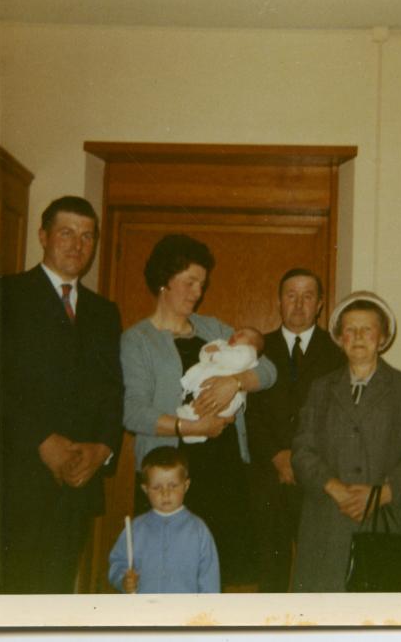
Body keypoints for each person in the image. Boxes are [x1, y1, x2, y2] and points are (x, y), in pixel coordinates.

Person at [120, 234, 276, 588]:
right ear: (164, 279)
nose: (197, 292)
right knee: (170, 577)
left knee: (225, 574)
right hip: (171, 472)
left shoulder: (214, 328)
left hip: (224, 470)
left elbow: (268, 370)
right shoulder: (138, 340)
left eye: (201, 285)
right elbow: (133, 412)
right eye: (189, 282)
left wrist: (234, 382)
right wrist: (189, 428)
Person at [0, 196, 124, 594]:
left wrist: (101, 449)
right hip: (15, 480)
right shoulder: (6, 295)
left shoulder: (104, 312)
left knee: (56, 594)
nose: (77, 245)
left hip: (78, 486)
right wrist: (41, 441)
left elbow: (112, 390)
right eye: (66, 233)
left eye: (87, 236)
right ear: (43, 236)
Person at [291, 291, 401, 592]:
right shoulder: (320, 389)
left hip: (385, 525)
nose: (358, 336)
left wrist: (382, 493)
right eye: (350, 329)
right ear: (339, 338)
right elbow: (302, 451)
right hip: (327, 524)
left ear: (381, 338)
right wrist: (333, 487)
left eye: (367, 329)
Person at [246, 268, 345, 592]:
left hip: (316, 481)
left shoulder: (337, 354)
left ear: (319, 304)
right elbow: (249, 413)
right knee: (268, 576)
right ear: (279, 301)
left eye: (308, 296)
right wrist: (276, 455)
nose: (299, 304)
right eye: (291, 295)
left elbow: (336, 417)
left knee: (316, 577)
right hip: (267, 478)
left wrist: (301, 460)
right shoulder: (255, 352)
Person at [109, 446, 220, 594]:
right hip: (144, 611)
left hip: (184, 613)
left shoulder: (198, 530)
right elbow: (118, 562)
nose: (165, 493)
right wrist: (123, 580)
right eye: (156, 487)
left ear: (186, 486)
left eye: (173, 486)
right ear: (145, 489)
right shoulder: (135, 528)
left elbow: (209, 578)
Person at [178, 327, 264, 443]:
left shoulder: (248, 352)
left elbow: (237, 361)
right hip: (210, 388)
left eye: (242, 334)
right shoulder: (222, 344)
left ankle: (197, 428)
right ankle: (194, 424)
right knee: (200, 406)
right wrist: (209, 352)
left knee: (210, 408)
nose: (235, 335)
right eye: (236, 332)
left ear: (253, 344)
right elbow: (204, 353)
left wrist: (214, 355)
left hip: (230, 398)